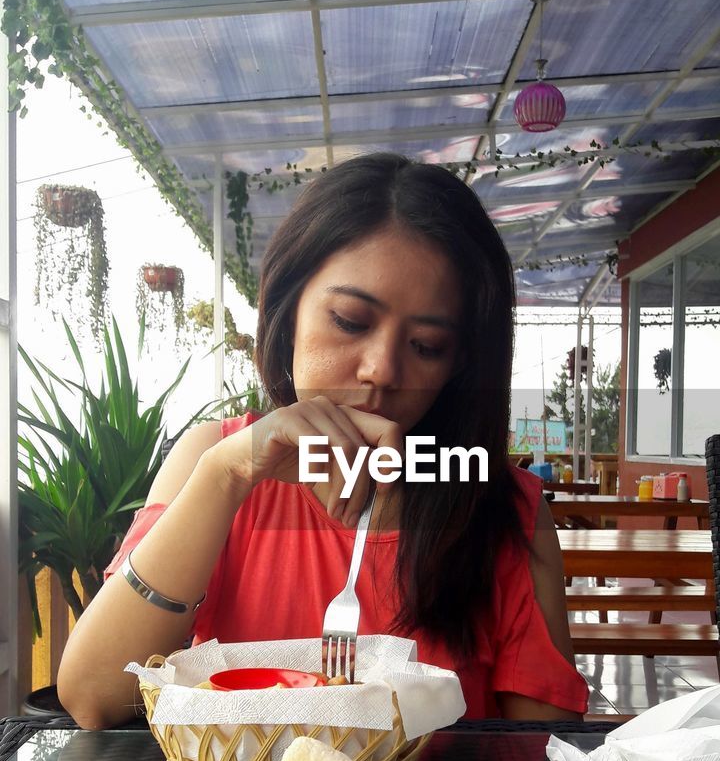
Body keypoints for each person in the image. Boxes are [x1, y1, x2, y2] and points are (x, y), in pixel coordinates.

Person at [57, 153, 588, 729]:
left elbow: (541, 756)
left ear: (459, 366)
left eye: (427, 346)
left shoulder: (502, 506)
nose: (382, 369)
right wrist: (226, 478)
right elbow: (94, 697)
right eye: (351, 321)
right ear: (288, 311)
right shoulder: (213, 461)